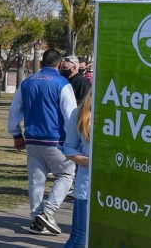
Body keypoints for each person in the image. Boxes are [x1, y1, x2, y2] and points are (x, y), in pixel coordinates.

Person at [7, 49, 77, 235]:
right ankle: (48, 212)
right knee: (66, 175)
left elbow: (15, 109)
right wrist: (75, 139)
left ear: (41, 63)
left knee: (36, 182)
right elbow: (70, 114)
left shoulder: (27, 82)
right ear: (60, 64)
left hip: (32, 139)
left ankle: (36, 219)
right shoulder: (62, 83)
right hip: (56, 140)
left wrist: (16, 134)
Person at [63, 91, 92, 247]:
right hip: (86, 189)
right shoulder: (80, 112)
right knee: (79, 239)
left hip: (118, 193)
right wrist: (89, 162)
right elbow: (69, 148)